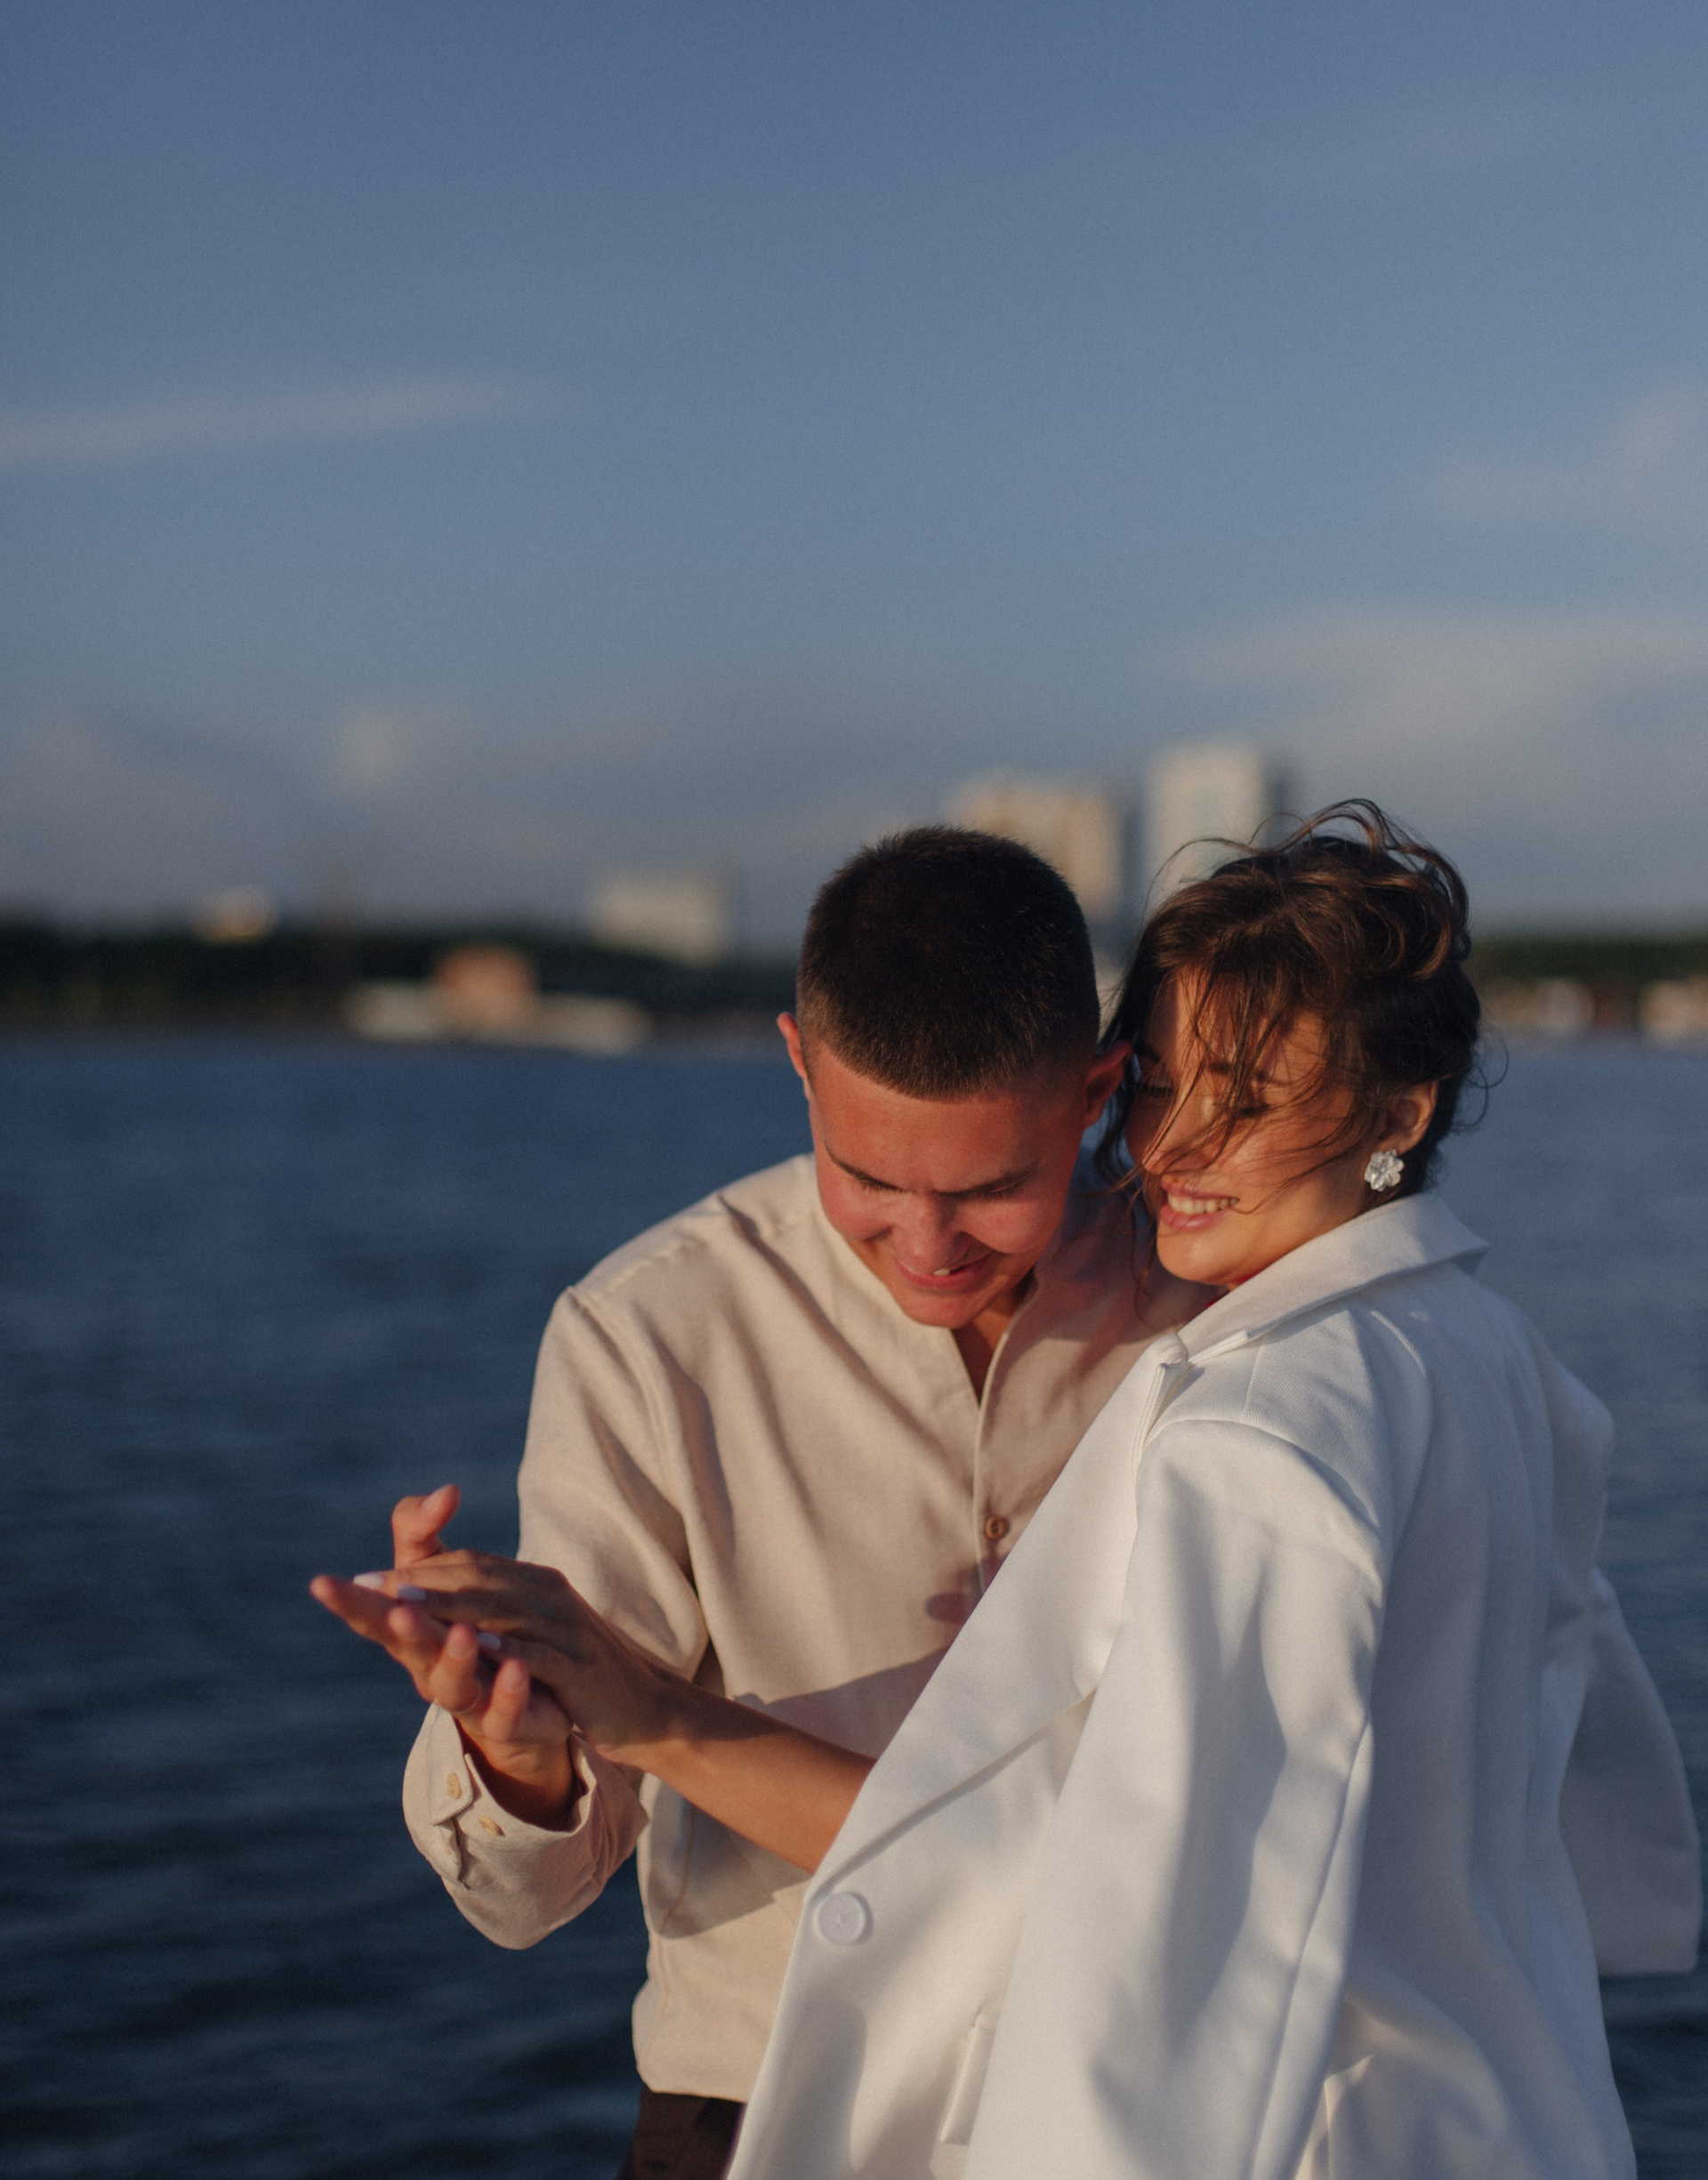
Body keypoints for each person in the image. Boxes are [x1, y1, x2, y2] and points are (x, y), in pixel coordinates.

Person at [704, 805, 1700, 2179]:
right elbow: (1591, 1769)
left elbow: (1167, 1943)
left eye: (1241, 1101)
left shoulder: (1261, 1428)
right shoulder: (1494, 1354)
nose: (1168, 1146)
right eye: (1159, 1083)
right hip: (1512, 2110)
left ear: (1397, 1114)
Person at [311, 826, 1209, 2179]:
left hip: (1134, 2110)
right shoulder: (649, 1335)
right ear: (798, 1063)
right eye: (870, 1180)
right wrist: (519, 1752)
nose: (928, 1246)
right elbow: (525, 1900)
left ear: (1096, 1091)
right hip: (756, 2112)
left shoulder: (1214, 1304)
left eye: (992, 1190)